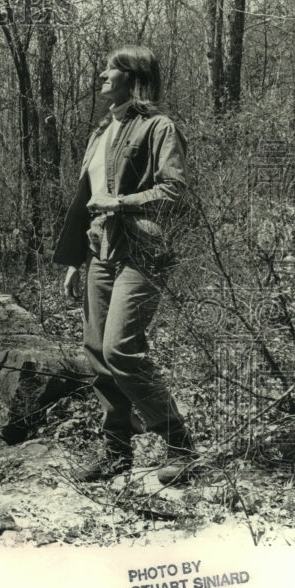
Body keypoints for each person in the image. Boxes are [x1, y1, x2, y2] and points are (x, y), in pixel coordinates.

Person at [53, 45, 197, 485]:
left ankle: (180, 445)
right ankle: (116, 452)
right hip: (99, 251)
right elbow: (85, 201)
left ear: (133, 79)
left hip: (142, 251)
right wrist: (76, 259)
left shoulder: (160, 127)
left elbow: (175, 193)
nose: (101, 75)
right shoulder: (100, 132)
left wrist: (120, 203)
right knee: (96, 353)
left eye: (111, 71)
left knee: (121, 350)